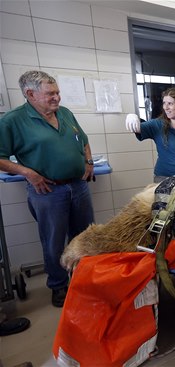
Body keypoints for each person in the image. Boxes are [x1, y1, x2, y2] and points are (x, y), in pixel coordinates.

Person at [0, 70, 95, 307]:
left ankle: (85, 279)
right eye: (50, 93)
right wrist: (28, 173)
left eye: (58, 92)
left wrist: (89, 161)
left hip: (78, 186)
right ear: (30, 94)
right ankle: (58, 285)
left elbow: (83, 140)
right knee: (53, 241)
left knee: (85, 237)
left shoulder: (65, 113)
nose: (57, 97)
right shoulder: (13, 120)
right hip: (48, 192)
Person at [125, 87, 175, 183]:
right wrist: (133, 117)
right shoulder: (157, 125)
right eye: (164, 103)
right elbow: (137, 128)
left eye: (170, 104)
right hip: (164, 179)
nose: (165, 107)